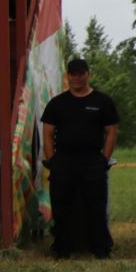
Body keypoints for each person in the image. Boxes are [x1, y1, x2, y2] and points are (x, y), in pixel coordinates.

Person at [39, 56, 120, 259]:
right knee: (61, 206)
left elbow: (111, 131)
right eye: (73, 74)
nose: (77, 78)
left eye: (81, 74)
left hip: (93, 161)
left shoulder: (103, 101)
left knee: (96, 205)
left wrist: (104, 159)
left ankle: (101, 249)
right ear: (68, 77)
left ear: (88, 75)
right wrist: (53, 161)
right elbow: (47, 133)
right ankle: (62, 248)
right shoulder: (57, 103)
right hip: (63, 162)